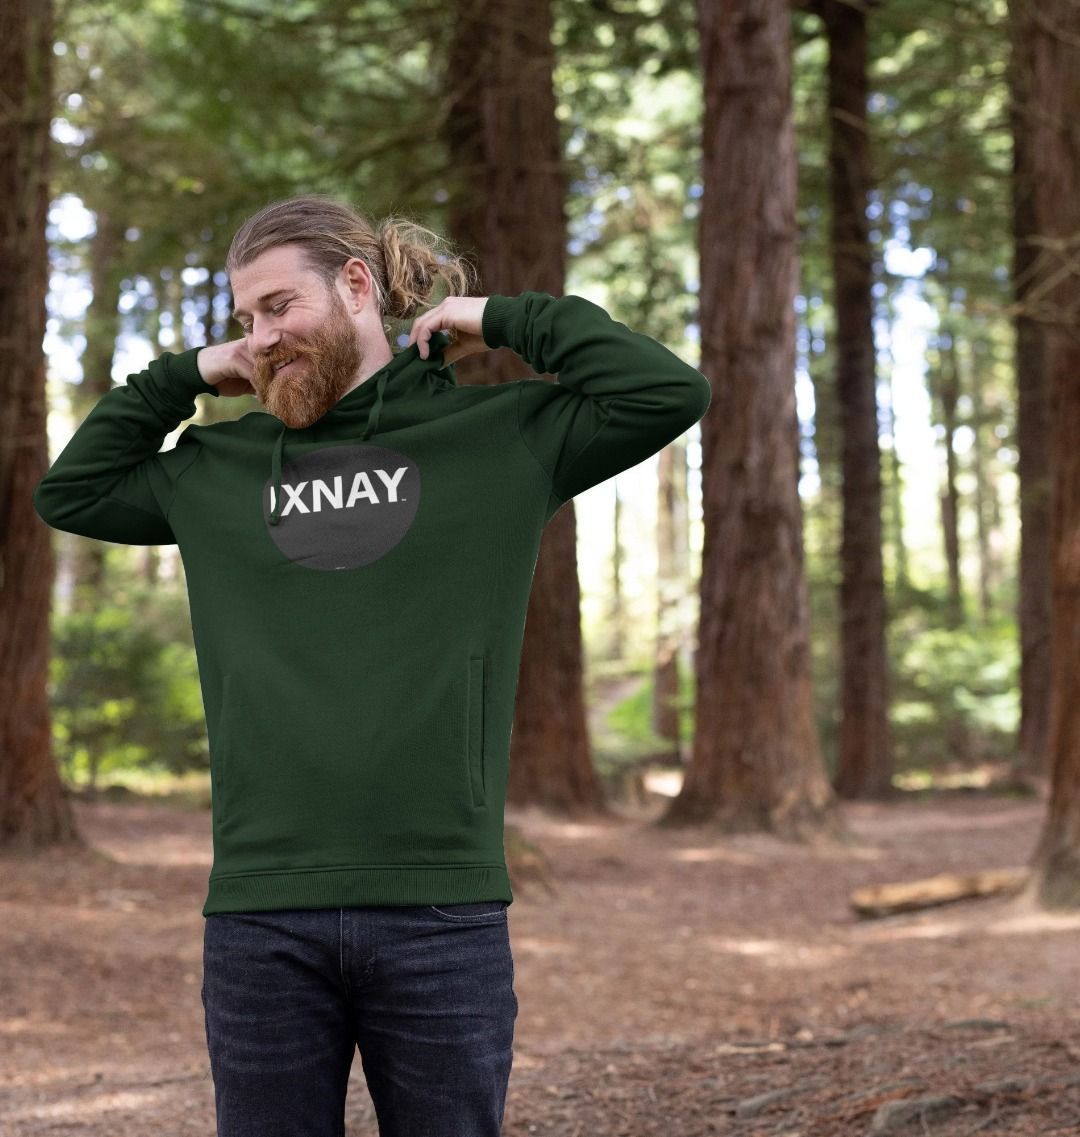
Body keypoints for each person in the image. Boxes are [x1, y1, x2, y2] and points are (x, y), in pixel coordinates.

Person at [32, 194, 712, 1137]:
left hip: (442, 910)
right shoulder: (218, 467)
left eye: (279, 307)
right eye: (245, 320)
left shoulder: (498, 439)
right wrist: (190, 373)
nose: (262, 338)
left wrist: (500, 317)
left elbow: (667, 392)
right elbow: (72, 490)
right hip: (262, 913)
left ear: (358, 285)